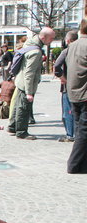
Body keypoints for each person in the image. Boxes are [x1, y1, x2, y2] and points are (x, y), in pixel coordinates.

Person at [8, 27, 55, 140]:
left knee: (16, 105)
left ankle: (12, 127)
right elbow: (30, 73)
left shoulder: (30, 42)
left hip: (19, 80)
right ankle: (22, 132)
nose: (52, 41)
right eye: (51, 38)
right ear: (43, 37)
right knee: (23, 108)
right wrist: (29, 92)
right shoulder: (36, 52)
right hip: (26, 83)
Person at [65, 18, 87, 174]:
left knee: (81, 128)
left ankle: (82, 164)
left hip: (74, 92)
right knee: (84, 131)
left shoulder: (72, 46)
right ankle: (73, 164)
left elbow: (59, 65)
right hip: (85, 93)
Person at [54, 30, 78, 143]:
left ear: (68, 40)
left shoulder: (66, 51)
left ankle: (70, 134)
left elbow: (57, 66)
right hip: (81, 86)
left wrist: (61, 77)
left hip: (68, 86)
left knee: (68, 110)